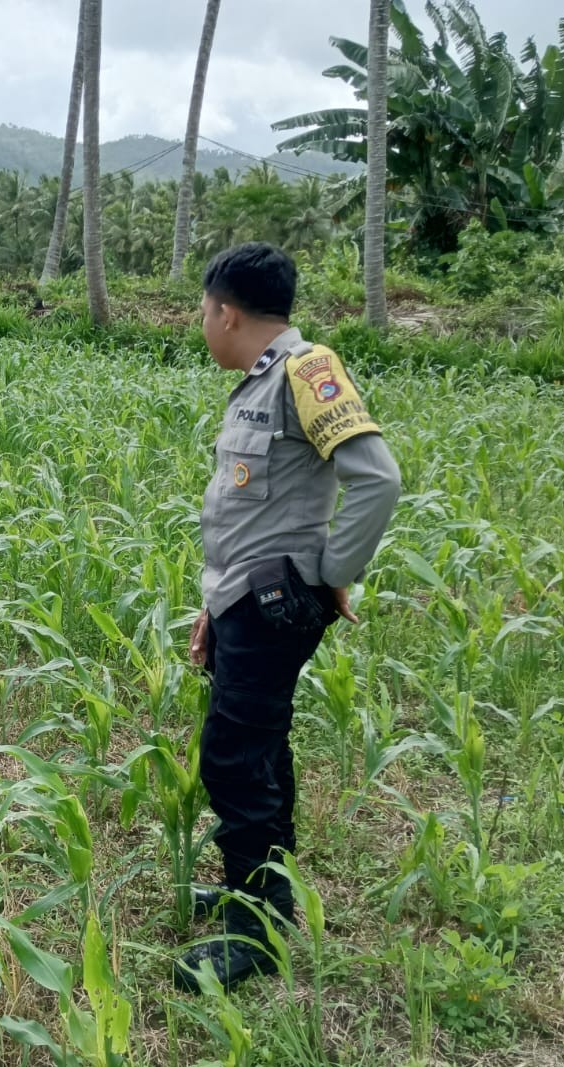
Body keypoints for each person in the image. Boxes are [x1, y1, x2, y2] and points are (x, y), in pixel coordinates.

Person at [174, 242, 401, 992]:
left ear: (226, 311)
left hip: (276, 605)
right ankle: (265, 897)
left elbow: (378, 480)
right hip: (245, 601)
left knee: (233, 759)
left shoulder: (307, 372)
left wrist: (333, 573)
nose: (201, 324)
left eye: (202, 312)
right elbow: (250, 512)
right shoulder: (255, 384)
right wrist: (216, 603)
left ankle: (256, 937)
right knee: (260, 751)